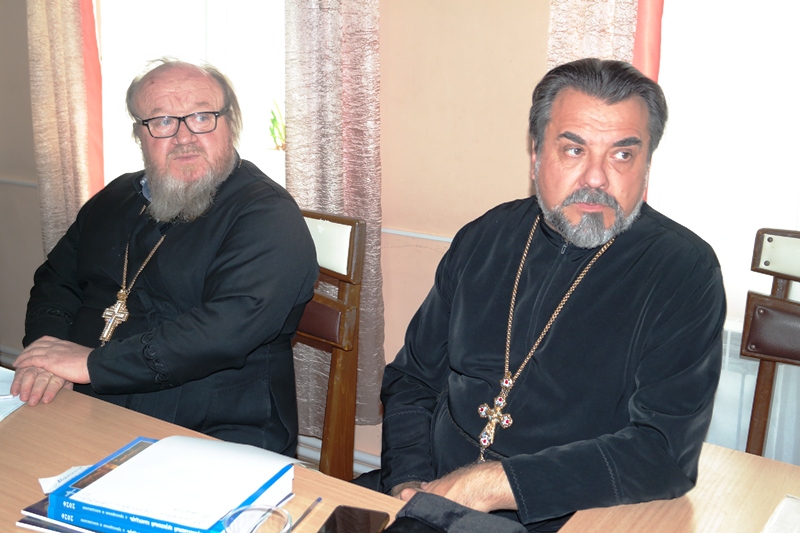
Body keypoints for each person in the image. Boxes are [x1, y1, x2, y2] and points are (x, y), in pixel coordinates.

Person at [377, 58, 726, 531]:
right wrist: (408, 479)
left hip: (564, 517)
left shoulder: (683, 271)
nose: (596, 178)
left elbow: (662, 450)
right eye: (574, 150)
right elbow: (413, 379)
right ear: (537, 155)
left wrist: (489, 485)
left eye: (622, 155)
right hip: (428, 489)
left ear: (646, 165)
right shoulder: (486, 236)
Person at [12, 58, 318, 455]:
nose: (184, 137)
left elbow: (225, 330)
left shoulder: (266, 214)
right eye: (162, 121)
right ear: (139, 134)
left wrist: (90, 365)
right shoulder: (115, 197)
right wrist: (47, 351)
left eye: (202, 117)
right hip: (85, 399)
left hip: (210, 422)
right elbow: (56, 281)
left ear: (231, 124)